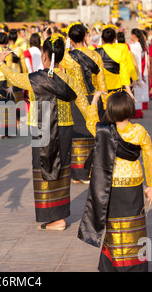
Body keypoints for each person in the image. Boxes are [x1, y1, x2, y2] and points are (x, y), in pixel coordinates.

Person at [0, 34, 89, 231]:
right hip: (64, 128)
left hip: (41, 129)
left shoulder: (35, 79)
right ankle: (59, 216)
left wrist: (1, 63)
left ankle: (54, 219)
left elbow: (13, 77)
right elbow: (85, 107)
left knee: (43, 169)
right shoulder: (71, 80)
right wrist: (99, 126)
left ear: (45, 55)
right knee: (62, 169)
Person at [78, 90, 152, 272]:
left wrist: (95, 100)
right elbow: (150, 157)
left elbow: (90, 120)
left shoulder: (103, 130)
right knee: (135, 224)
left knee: (114, 225)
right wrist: (151, 185)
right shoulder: (139, 131)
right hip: (134, 185)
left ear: (111, 111)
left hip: (111, 185)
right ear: (130, 109)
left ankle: (113, 265)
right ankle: (137, 266)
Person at [61, 22, 107, 184]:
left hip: (74, 99)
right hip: (93, 99)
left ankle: (77, 174)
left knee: (77, 137)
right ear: (85, 36)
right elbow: (102, 82)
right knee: (93, 134)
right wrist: (105, 102)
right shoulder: (95, 55)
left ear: (71, 40)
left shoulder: (66, 57)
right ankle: (92, 170)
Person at [95, 26, 135, 100]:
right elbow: (124, 74)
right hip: (116, 90)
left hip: (100, 90)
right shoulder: (120, 52)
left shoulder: (95, 53)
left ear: (102, 39)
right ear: (114, 39)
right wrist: (129, 91)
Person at [130, 29, 150, 118]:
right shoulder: (140, 45)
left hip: (136, 70)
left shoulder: (134, 46)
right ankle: (138, 110)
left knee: (136, 92)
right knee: (137, 91)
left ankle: (137, 111)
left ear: (134, 35)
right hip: (140, 70)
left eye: (131, 34)